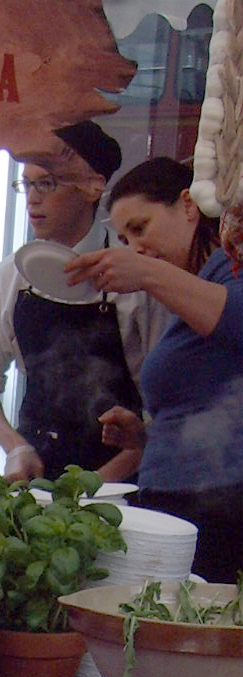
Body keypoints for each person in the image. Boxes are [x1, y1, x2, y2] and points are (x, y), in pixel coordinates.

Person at [0, 121, 170, 484]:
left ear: (93, 187)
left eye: (47, 183)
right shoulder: (9, 277)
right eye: (27, 184)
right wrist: (15, 447)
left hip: (120, 491)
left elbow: (164, 411)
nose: (33, 198)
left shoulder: (137, 281)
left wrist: (92, 490)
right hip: (36, 483)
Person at [65, 157, 241, 582]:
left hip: (219, 511)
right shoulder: (192, 288)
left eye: (140, 229)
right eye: (125, 239)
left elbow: (237, 319)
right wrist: (145, 435)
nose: (135, 247)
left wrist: (145, 272)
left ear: (187, 206)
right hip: (178, 505)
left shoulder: (229, 269)